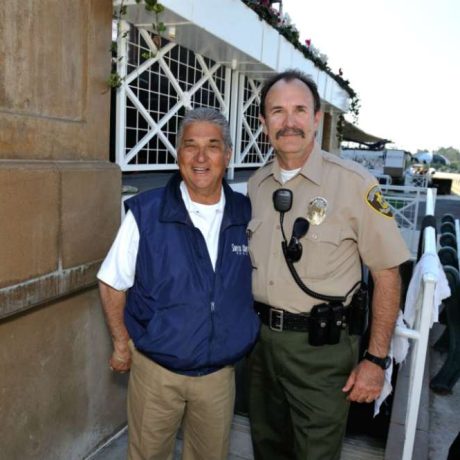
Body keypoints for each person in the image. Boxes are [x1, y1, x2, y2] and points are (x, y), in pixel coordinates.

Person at [246, 69, 411, 460]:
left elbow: (388, 274)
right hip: (261, 347)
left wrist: (375, 360)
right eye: (278, 111)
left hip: (322, 352)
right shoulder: (256, 185)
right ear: (264, 122)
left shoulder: (355, 184)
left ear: (317, 118)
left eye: (300, 110)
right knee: (267, 448)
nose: (289, 122)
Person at [97, 107, 260, 460]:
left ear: (228, 155)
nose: (201, 157)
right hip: (156, 372)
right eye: (190, 145)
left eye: (213, 146)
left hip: (218, 376)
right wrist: (122, 345)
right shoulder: (145, 210)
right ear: (178, 154)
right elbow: (112, 282)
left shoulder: (247, 214)